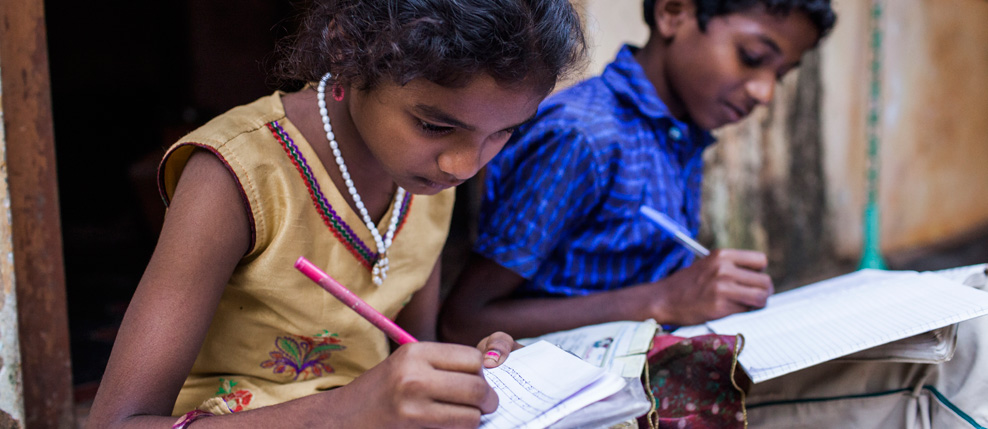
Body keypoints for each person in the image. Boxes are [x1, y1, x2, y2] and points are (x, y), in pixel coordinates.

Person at [85, 0, 585, 427]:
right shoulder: (236, 175)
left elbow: (410, 348)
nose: (466, 164)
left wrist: (466, 375)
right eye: (434, 126)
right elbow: (117, 422)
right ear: (347, 54)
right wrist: (345, 412)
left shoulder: (430, 177)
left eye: (504, 133)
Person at [440, 0, 835, 345]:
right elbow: (465, 322)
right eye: (751, 56)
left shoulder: (679, 133)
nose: (765, 92)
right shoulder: (583, 136)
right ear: (673, 13)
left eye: (780, 75)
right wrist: (662, 300)